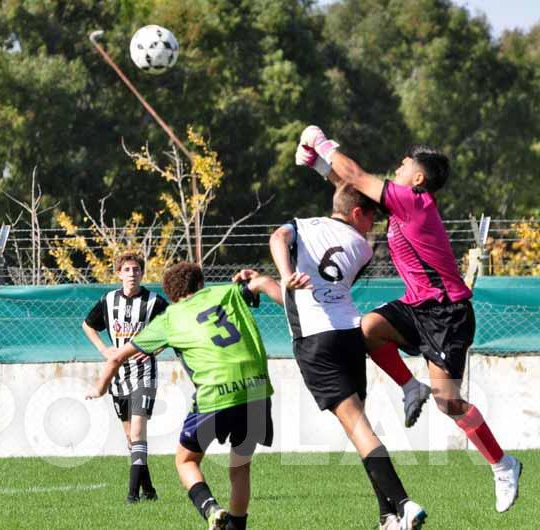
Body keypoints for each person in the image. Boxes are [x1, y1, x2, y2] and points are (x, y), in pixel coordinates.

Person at [296, 125, 522, 513]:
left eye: (403, 166)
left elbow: (354, 176)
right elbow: (353, 191)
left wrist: (323, 143)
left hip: (447, 314)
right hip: (417, 305)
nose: (396, 169)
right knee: (367, 328)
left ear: (417, 178)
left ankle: (503, 465)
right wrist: (319, 167)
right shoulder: (402, 202)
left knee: (449, 403)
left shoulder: (414, 203)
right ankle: (409, 387)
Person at [269, 185, 427, 530]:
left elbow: (277, 238)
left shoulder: (303, 225)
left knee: (360, 430)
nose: (373, 225)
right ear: (357, 213)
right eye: (372, 216)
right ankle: (386, 516)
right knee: (361, 430)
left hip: (316, 340)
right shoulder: (362, 249)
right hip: (350, 334)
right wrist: (268, 283)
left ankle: (404, 504)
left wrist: (282, 275)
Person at [87, 262, 282, 530]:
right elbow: (260, 284)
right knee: (240, 467)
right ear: (200, 284)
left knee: (185, 460)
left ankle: (210, 508)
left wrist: (98, 388)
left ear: (171, 294)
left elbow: (117, 358)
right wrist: (288, 301)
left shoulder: (170, 317)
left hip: (216, 393)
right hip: (258, 391)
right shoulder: (225, 292)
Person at [82, 252, 168, 503]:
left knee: (139, 432)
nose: (132, 274)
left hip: (144, 374)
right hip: (118, 375)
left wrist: (154, 349)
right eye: (127, 269)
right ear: (119, 273)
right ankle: (149, 491)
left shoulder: (155, 302)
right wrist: (103, 349)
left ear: (142, 273)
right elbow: (87, 325)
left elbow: (173, 329)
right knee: (131, 438)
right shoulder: (108, 301)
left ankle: (132, 495)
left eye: (136, 269)